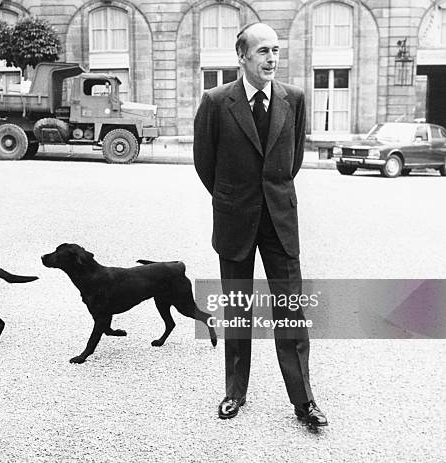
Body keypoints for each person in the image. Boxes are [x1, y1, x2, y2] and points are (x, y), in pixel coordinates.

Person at [193, 22, 328, 428]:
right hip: (235, 219)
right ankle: (235, 391)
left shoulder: (295, 99)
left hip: (280, 221)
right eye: (263, 51)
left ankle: (304, 401)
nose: (272, 59)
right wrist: (233, 198)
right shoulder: (216, 102)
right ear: (242, 57)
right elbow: (205, 164)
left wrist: (273, 195)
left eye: (276, 51)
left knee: (290, 311)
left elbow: (294, 160)